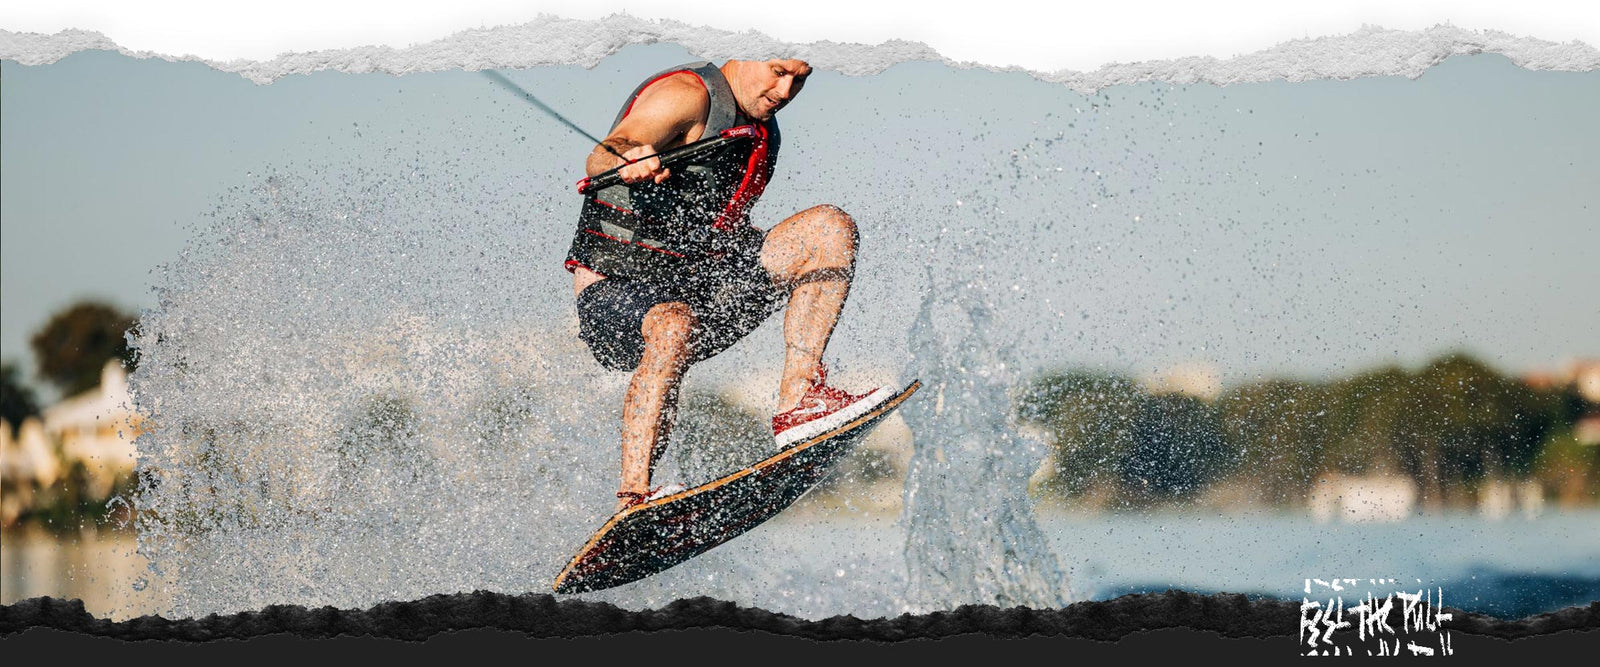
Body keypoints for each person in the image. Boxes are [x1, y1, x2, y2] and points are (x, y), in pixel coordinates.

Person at [564, 58, 894, 513]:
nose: (785, 90)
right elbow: (609, 148)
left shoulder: (760, 123)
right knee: (673, 325)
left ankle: (798, 400)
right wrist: (631, 154)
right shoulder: (687, 94)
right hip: (620, 298)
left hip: (702, 288)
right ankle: (634, 496)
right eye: (778, 71)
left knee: (829, 229)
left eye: (800, 79)